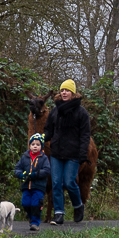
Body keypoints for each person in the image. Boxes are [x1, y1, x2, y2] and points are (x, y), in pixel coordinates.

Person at [42, 79, 91, 225]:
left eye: (67, 90)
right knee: (56, 183)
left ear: (73, 93)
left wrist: (83, 154)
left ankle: (78, 205)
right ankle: (59, 213)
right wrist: (41, 138)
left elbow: (85, 135)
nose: (64, 93)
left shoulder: (81, 113)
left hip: (73, 153)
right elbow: (49, 130)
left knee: (69, 182)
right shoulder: (55, 111)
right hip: (57, 152)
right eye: (62, 90)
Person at [15, 133, 51, 231]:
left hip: (38, 186)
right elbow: (17, 168)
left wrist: (35, 174)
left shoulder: (43, 158)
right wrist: (21, 175)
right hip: (26, 186)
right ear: (29, 145)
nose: (35, 146)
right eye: (33, 144)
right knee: (25, 203)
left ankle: (35, 223)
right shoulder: (24, 157)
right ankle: (30, 216)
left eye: (38, 144)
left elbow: (47, 170)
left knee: (36, 204)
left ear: (41, 146)